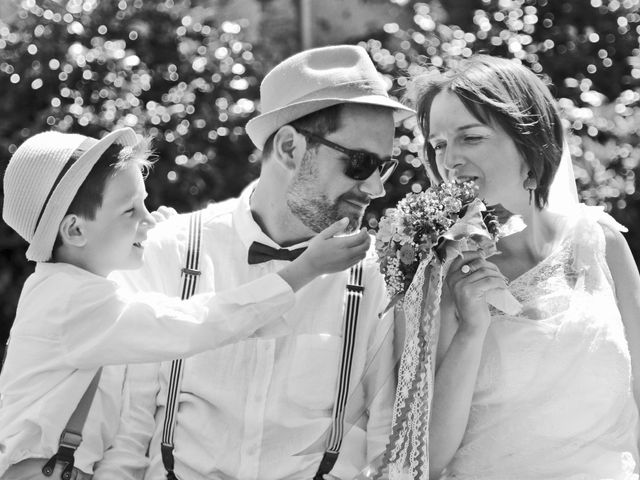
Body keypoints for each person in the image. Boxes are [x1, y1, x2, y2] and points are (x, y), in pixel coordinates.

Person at [99, 44, 415, 480]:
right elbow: (126, 436)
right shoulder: (170, 251)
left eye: (385, 165)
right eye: (360, 163)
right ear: (288, 147)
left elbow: (386, 446)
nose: (377, 188)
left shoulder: (380, 279)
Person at [0, 127, 371, 479]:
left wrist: (156, 233)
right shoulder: (69, 302)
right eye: (131, 211)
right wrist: (303, 271)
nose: (148, 219)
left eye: (146, 204)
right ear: (76, 230)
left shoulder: (83, 289)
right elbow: (194, 323)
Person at [393, 54, 640, 479]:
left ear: (529, 141)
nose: (449, 160)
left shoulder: (601, 242)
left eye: (470, 138)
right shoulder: (436, 274)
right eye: (438, 144)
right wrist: (472, 329)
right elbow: (423, 458)